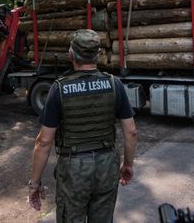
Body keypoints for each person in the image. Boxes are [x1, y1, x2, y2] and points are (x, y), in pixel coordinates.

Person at [28, 29, 137, 223]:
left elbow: (44, 141)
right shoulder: (114, 84)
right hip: (106, 165)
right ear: (98, 55)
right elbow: (131, 132)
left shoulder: (59, 89)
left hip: (73, 169)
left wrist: (34, 183)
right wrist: (127, 164)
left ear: (71, 55)